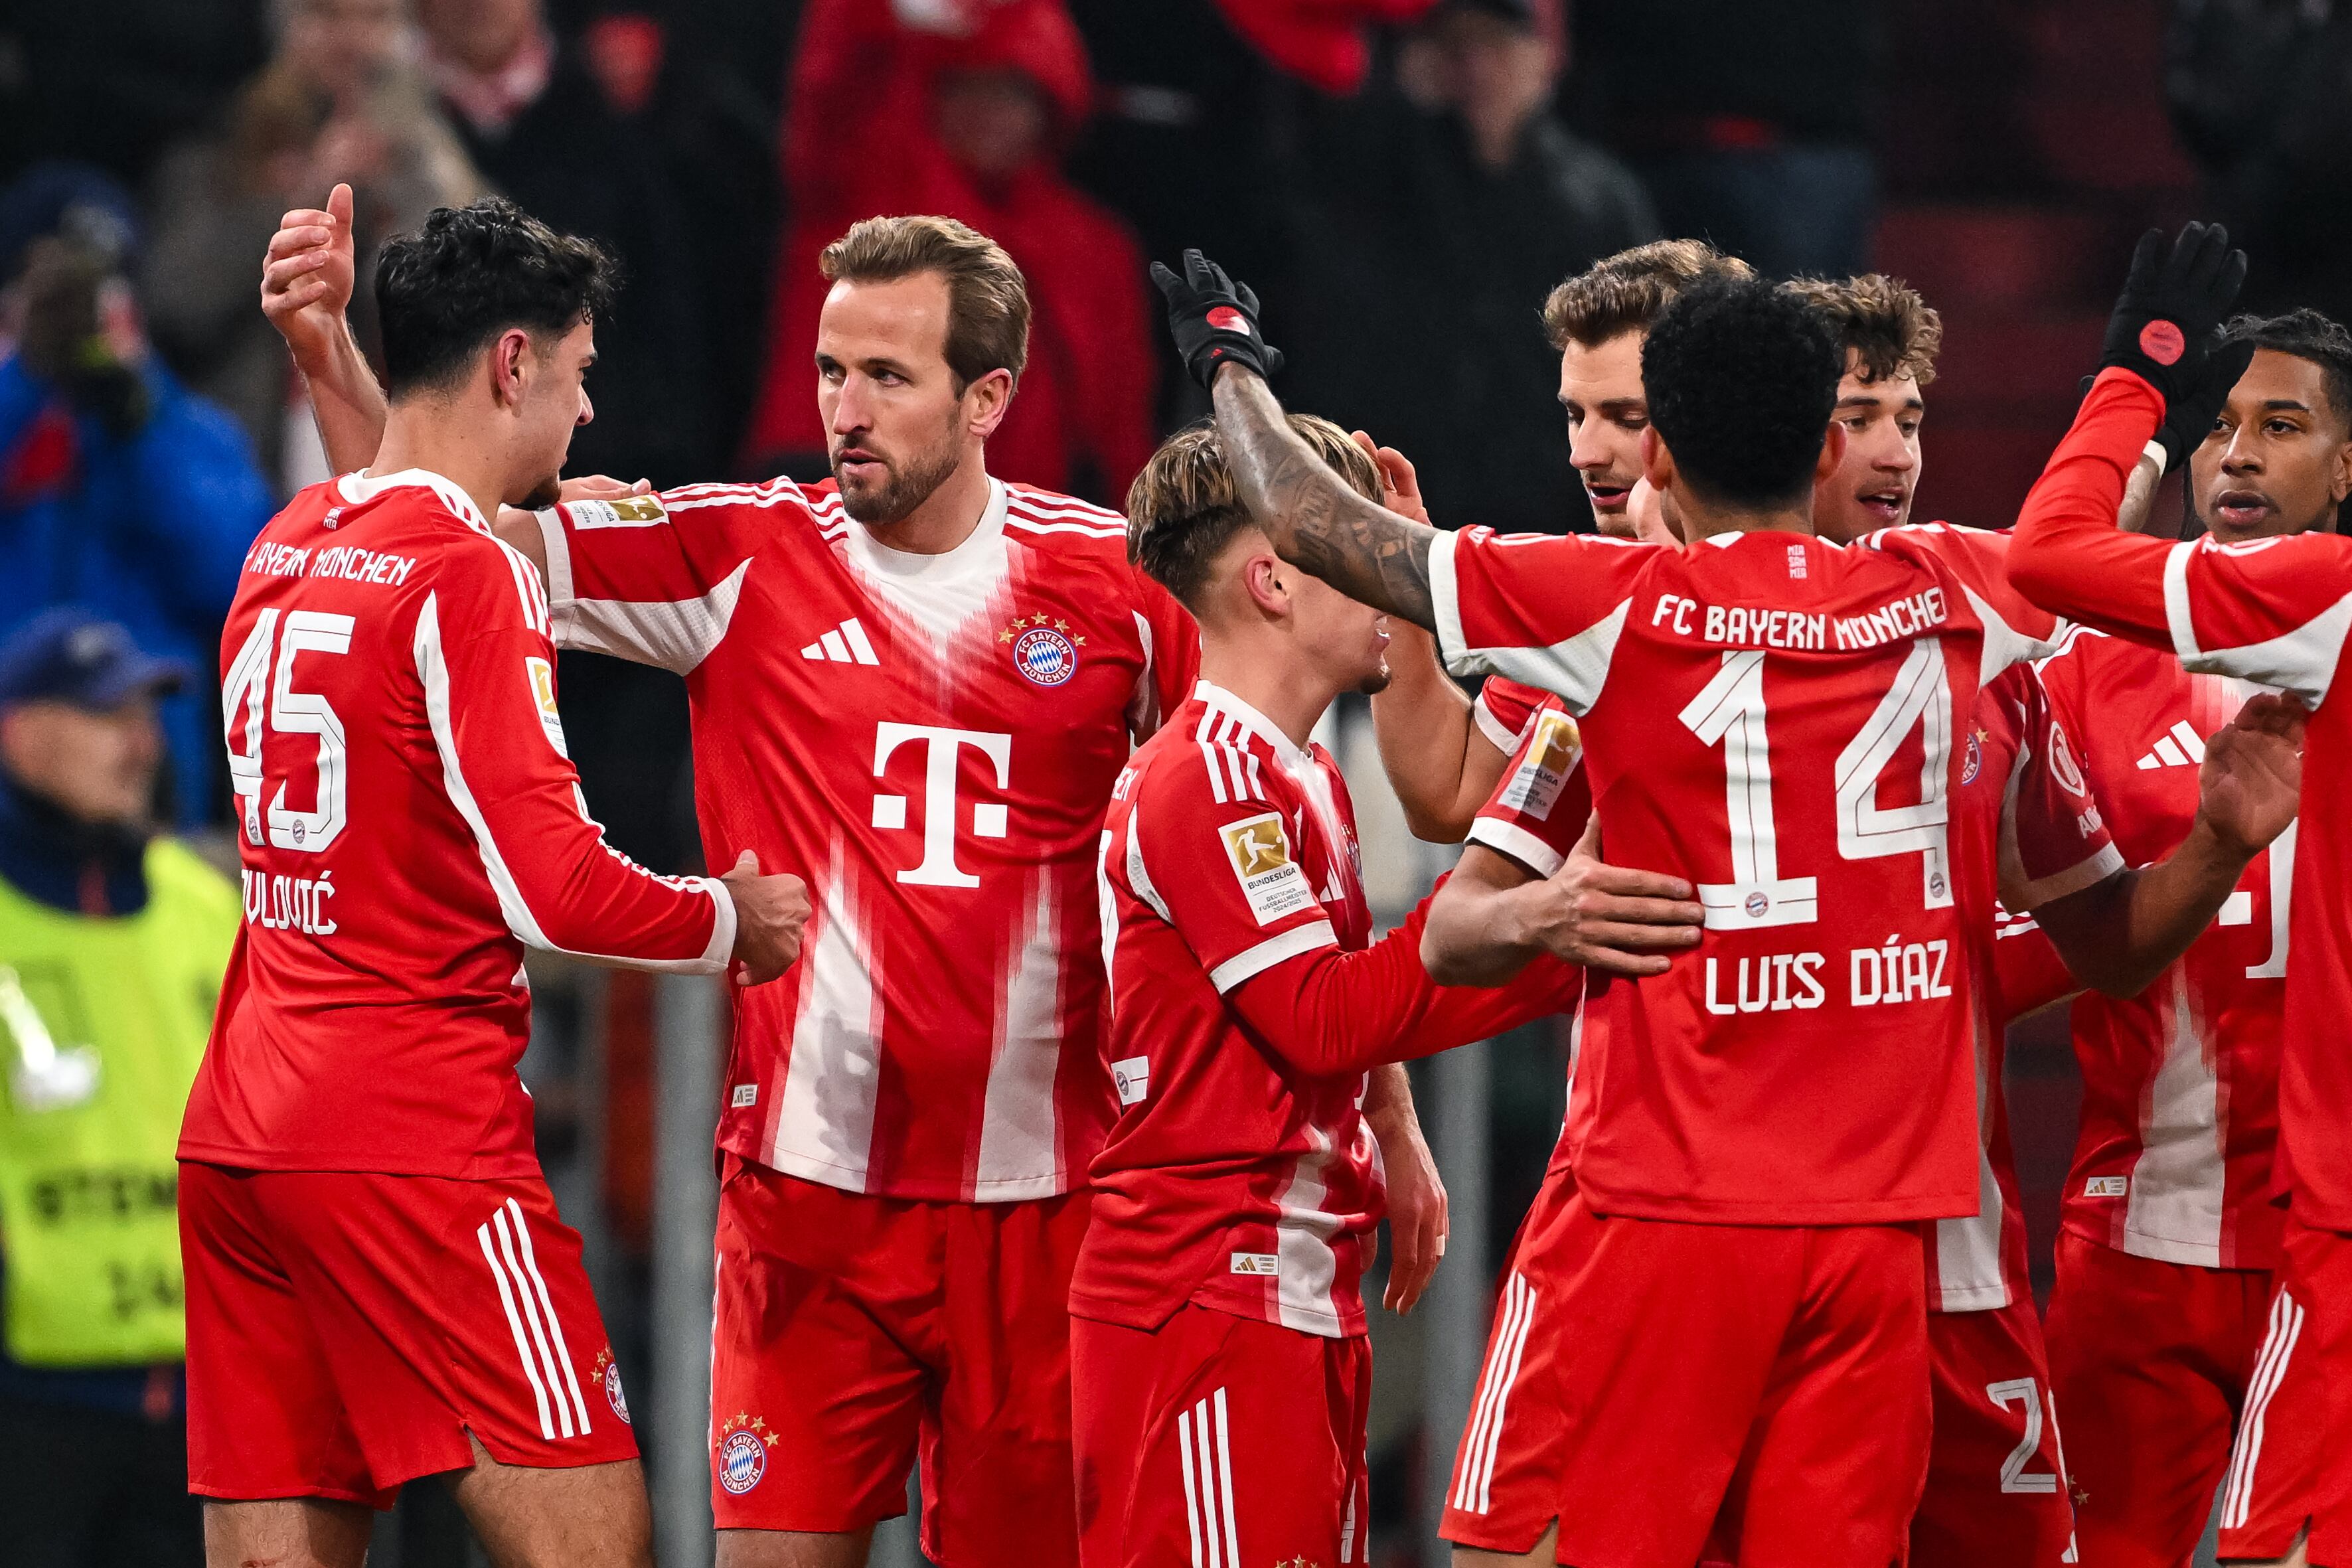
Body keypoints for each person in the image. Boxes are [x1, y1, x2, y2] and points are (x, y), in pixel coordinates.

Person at [262, 204, 1245, 1568]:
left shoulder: (1122, 589)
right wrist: (329, 359)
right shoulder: (735, 551)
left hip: (1051, 1207)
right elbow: (425, 520)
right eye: (831, 370)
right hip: (806, 1218)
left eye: (886, 378)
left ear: (989, 397)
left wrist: (1391, 1120)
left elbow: (1259, 839)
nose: (843, 408)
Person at [1160, 247, 2077, 1564]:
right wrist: (2132, 379)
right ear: (1824, 436)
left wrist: (1225, 360)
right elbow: (2089, 557)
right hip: (1883, 1224)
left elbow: (1307, 519)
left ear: (1668, 456)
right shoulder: (1944, 587)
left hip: (1674, 1207)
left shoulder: (1605, 606)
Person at [178, 196, 809, 1568]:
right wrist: (731, 921)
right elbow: (557, 890)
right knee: (593, 1538)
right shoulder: (467, 575)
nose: (587, 416)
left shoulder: (285, 539)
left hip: (243, 1122)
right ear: (512, 363)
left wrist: (322, 357)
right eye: (580, 375)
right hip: (413, 1132)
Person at [1077, 413, 1561, 1568]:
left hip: (1284, 1283)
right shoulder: (1202, 777)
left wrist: (1392, 1125)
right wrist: (1544, 933)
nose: (1389, 582)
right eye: (1362, 555)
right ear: (1275, 581)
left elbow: (1330, 991)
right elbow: (1317, 1012)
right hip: (1203, 1294)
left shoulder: (1297, 770)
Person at [2006, 221, 2352, 1568]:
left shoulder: (2327, 604)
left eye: (2280, 426)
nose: (2240, 453)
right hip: (2142, 1227)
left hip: (2313, 1223)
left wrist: (2129, 369)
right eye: (2219, 425)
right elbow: (2066, 930)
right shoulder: (2086, 672)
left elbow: (2050, 544)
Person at [1372, 238, 1750, 844]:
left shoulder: (1830, 587)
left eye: (1628, 419)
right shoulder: (1581, 596)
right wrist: (1399, 583)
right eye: (1575, 414)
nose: (1582, 454)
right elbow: (1446, 798)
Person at [0, 611, 236, 1568]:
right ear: (20, 730)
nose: (142, 743)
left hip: (206, 1409)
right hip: (30, 1406)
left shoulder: (205, 905)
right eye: (108, 714)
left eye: (147, 713)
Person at [742, 0, 1156, 502]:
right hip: (836, 481)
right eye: (967, 85)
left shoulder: (1096, 246)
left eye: (1011, 90)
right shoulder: (870, 180)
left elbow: (1119, 420)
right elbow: (833, 89)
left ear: (1052, 103)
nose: (987, 111)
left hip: (1003, 512)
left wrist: (1132, 541)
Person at [1279, 0, 1659, 538]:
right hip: (1409, 495)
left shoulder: (1600, 199)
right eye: (1456, 46)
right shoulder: (1369, 180)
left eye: (1495, 45)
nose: (1476, 67)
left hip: (1553, 503)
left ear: (1543, 56)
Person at [0, 165, 275, 826]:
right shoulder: (11, 410)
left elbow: (239, 583)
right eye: (55, 288)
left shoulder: (188, 431)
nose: (83, 312)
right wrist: (26, 379)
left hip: (142, 785)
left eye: (102, 290)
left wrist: (140, 424)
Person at [143, 0, 486, 495]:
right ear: (285, 27)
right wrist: (300, 200)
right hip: (238, 479)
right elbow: (177, 304)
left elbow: (471, 303)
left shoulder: (426, 152)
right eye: (328, 15)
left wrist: (414, 170)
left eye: (375, 19)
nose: (351, 39)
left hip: (397, 479)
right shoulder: (220, 155)